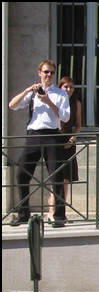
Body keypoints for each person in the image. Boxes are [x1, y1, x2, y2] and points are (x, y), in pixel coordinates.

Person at [8, 59, 70, 228]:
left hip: (52, 136)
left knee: (56, 176)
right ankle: (23, 213)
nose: (49, 75)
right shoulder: (33, 93)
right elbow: (12, 105)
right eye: (46, 72)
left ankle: (59, 216)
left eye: (51, 72)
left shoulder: (60, 93)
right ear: (39, 73)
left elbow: (65, 117)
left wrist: (48, 101)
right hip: (34, 135)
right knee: (22, 174)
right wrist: (29, 90)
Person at [48, 76, 82, 222]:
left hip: (69, 140)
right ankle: (51, 211)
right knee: (55, 177)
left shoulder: (76, 103)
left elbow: (78, 124)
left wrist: (72, 139)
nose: (68, 90)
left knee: (66, 178)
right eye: (66, 87)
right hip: (55, 139)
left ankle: (62, 211)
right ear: (60, 87)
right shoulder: (55, 99)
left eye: (71, 87)